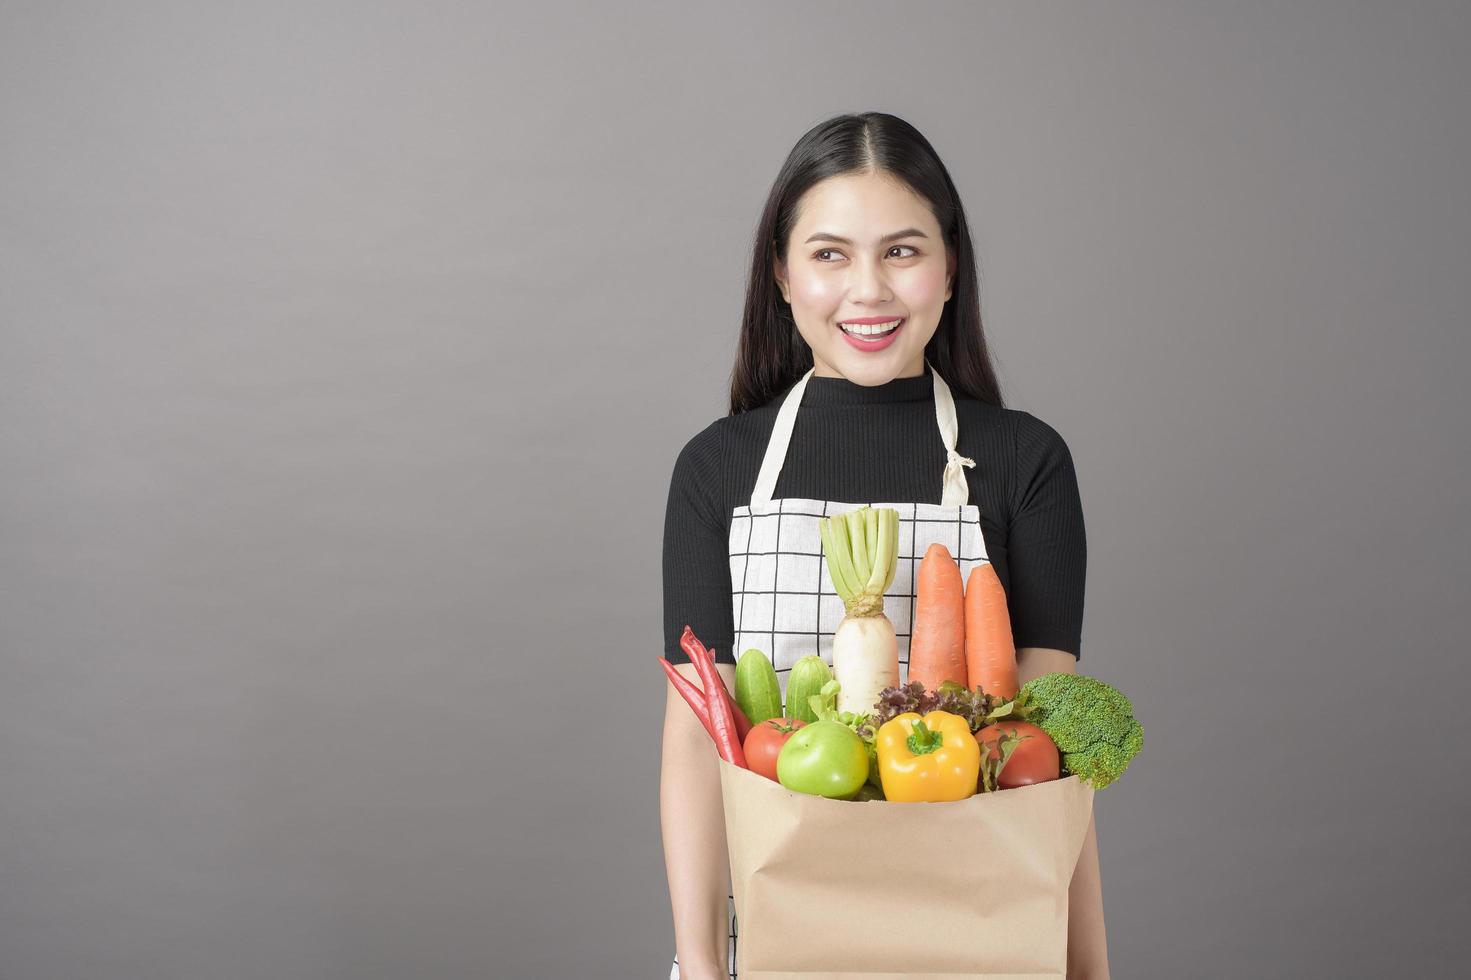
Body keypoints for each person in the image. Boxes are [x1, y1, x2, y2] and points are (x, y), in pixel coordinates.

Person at [659, 112, 1108, 980]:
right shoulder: (717, 468)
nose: (867, 290)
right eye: (830, 255)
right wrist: (702, 968)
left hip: (981, 937)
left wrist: (1086, 968)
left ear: (949, 271)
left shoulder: (1024, 462)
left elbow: (1053, 770)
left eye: (901, 252)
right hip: (769, 939)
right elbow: (692, 741)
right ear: (782, 277)